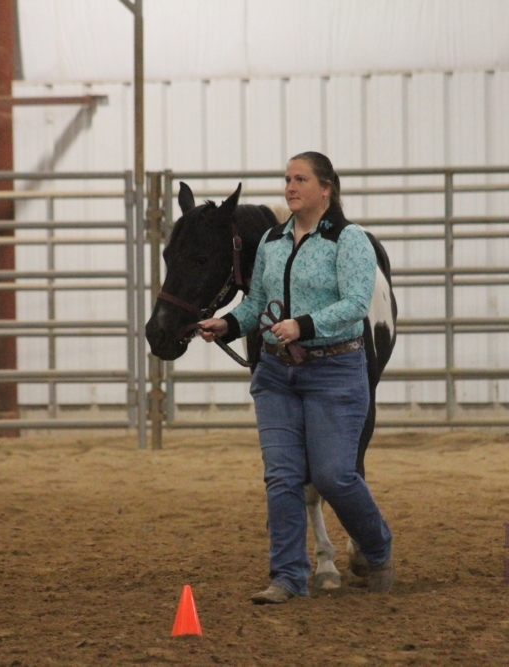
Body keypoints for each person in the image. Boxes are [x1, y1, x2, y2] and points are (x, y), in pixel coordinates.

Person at [198, 151, 393, 604]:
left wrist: (303, 325)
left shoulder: (349, 240)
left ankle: (378, 547)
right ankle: (287, 577)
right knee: (282, 477)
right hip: (276, 374)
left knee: (334, 476)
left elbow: (355, 304)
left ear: (326, 188)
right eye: (287, 178)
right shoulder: (273, 241)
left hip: (335, 371)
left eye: (301, 179)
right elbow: (257, 303)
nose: (290, 187)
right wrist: (228, 323)